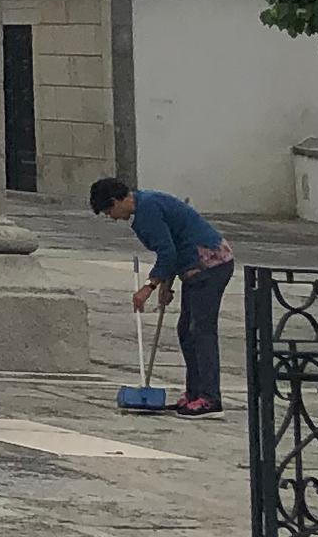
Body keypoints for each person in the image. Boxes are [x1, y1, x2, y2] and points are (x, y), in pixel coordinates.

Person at [91, 175, 236, 414]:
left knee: (201, 330)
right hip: (193, 269)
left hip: (210, 266)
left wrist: (148, 287)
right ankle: (194, 392)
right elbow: (173, 246)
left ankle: (210, 398)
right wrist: (166, 285)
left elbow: (167, 252)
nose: (111, 217)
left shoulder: (148, 210)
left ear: (117, 200)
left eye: (109, 211)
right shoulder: (146, 204)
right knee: (186, 331)